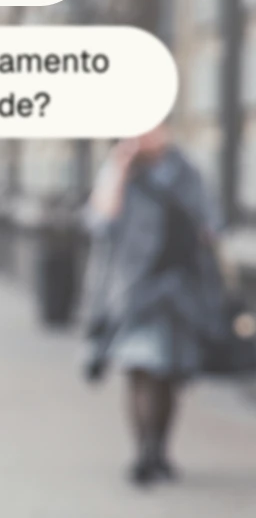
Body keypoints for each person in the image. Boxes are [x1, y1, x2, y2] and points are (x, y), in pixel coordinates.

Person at [80, 123, 223, 485]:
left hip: (179, 287)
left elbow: (211, 221)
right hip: (132, 287)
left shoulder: (188, 171)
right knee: (140, 366)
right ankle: (144, 451)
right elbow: (98, 222)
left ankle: (158, 448)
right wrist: (120, 170)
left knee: (167, 372)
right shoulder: (120, 171)